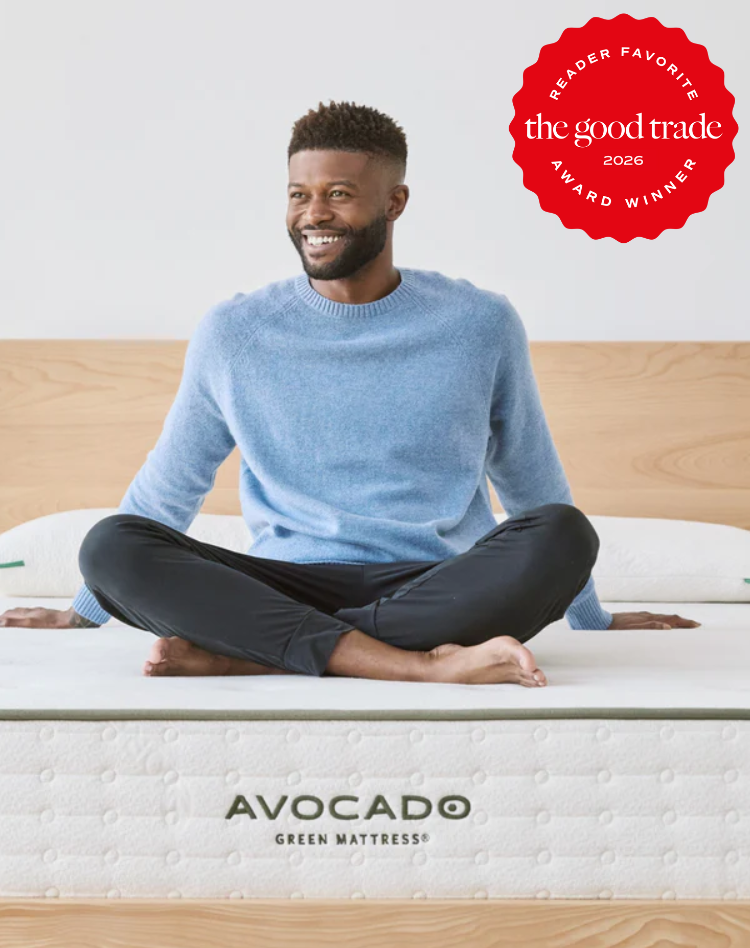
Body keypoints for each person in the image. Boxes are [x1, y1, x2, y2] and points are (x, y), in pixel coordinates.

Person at [0, 100, 700, 681]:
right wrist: (84, 608)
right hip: (283, 584)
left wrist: (591, 617)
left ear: (394, 201)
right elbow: (168, 488)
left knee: (563, 532)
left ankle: (262, 654)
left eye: (339, 194)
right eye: (299, 195)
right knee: (113, 544)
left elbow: (529, 477)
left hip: (435, 584)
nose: (315, 214)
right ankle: (415, 666)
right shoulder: (235, 332)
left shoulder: (479, 324)